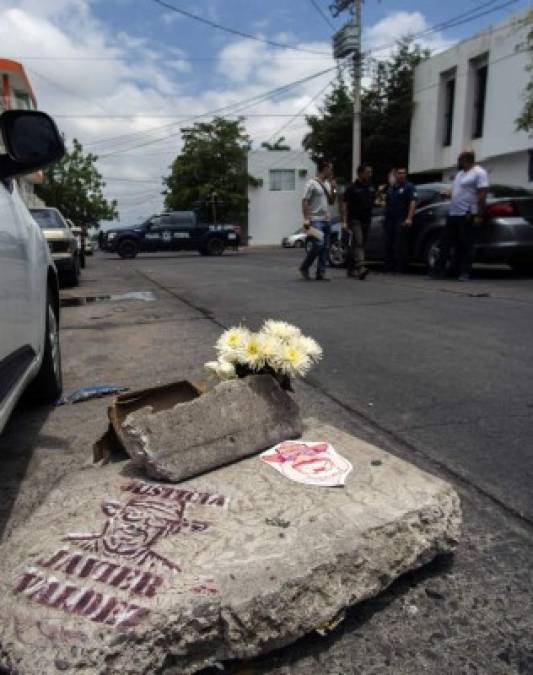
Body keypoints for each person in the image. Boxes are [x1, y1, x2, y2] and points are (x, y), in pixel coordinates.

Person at [431, 150, 489, 281]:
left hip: (467, 213)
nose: (458, 162)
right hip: (453, 213)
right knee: (446, 243)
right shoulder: (460, 174)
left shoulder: (479, 172)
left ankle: (464, 273)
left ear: (466, 159)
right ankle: (438, 272)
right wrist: (447, 193)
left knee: (466, 244)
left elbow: (482, 193)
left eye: (460, 159)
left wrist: (479, 214)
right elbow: (456, 191)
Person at [300, 159, 337, 281]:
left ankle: (321, 273)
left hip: (326, 219)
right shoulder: (311, 183)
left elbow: (331, 201)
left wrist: (334, 189)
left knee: (326, 247)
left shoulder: (327, 184)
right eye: (330, 169)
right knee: (318, 244)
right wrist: (306, 219)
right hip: (315, 220)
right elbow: (305, 201)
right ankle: (305, 266)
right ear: (324, 169)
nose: (331, 171)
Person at [341, 164, 375, 280]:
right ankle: (361, 268)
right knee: (359, 242)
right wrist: (345, 222)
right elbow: (345, 205)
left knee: (358, 245)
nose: (370, 174)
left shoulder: (371, 187)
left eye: (370, 172)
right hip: (355, 219)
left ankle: (351, 268)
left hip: (367, 219)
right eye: (367, 172)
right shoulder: (352, 188)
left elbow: (374, 202)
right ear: (360, 174)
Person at [383, 167, 417, 273]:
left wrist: (409, 218)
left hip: (401, 219)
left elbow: (413, 202)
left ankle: (400, 268)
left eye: (403, 173)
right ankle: (389, 266)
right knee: (389, 243)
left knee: (400, 244)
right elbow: (386, 203)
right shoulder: (392, 188)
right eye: (399, 173)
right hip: (390, 219)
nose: (401, 175)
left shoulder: (409, 187)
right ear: (396, 175)